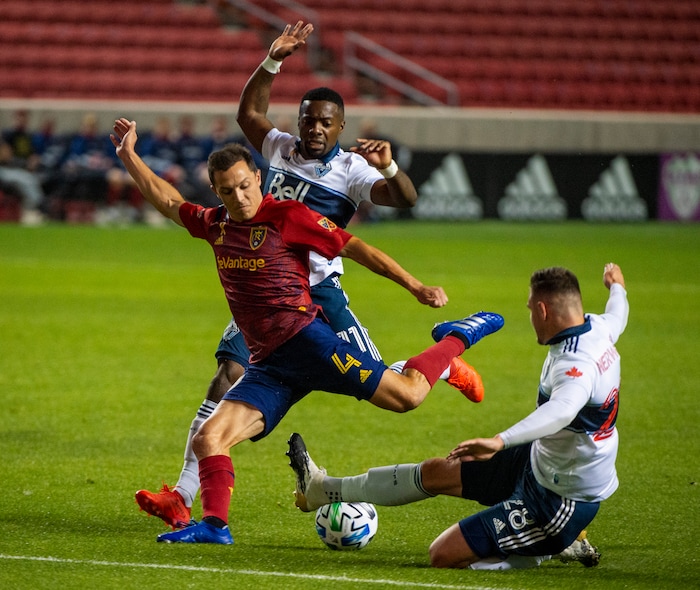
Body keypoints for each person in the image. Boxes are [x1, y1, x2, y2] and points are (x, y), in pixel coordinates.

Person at [132, 21, 482, 530]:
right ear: (299, 121)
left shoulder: (353, 172)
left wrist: (387, 169)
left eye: (325, 122)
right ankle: (183, 494)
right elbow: (248, 113)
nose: (315, 128)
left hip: (319, 292)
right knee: (227, 375)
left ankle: (442, 364)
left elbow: (405, 199)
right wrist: (272, 60)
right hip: (265, 290)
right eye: (308, 120)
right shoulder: (278, 149)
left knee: (383, 380)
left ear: (340, 127)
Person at [288, 263, 629, 569]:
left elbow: (561, 411)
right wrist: (616, 287)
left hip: (561, 498)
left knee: (444, 555)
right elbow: (618, 313)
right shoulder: (598, 328)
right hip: (542, 460)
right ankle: (322, 490)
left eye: (530, 309)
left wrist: (498, 441)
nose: (529, 316)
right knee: (438, 472)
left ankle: (546, 547)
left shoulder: (576, 366)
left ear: (543, 310)